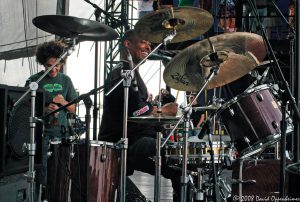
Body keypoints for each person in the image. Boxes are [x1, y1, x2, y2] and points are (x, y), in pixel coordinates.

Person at [99, 29, 185, 201]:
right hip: (123, 142)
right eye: (143, 41)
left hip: (135, 137)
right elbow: (135, 111)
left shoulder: (132, 72)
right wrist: (161, 111)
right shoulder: (121, 73)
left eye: (149, 43)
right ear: (127, 44)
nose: (149, 46)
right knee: (176, 161)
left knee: (181, 158)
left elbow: (137, 106)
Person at [25, 40, 78, 197]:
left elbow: (74, 108)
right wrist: (44, 108)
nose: (54, 69)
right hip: (41, 137)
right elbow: (24, 108)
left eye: (57, 65)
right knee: (41, 176)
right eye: (49, 66)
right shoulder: (34, 80)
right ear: (43, 63)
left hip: (62, 136)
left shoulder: (66, 80)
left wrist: (63, 103)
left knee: (60, 177)